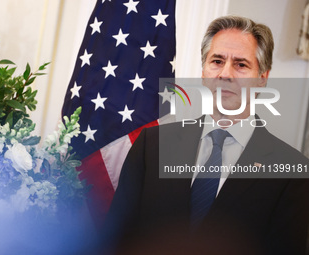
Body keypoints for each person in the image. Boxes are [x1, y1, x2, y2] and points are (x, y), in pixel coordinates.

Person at [101, 15, 309, 255]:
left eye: (241, 64)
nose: (225, 74)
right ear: (203, 72)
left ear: (262, 78)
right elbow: (115, 241)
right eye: (217, 61)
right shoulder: (152, 146)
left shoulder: (292, 170)